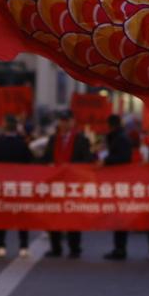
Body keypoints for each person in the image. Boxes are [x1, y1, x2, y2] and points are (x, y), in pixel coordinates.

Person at [43, 110, 93, 259]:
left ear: (72, 122)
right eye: (62, 120)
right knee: (53, 214)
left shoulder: (81, 139)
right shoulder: (53, 139)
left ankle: (74, 248)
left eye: (67, 120)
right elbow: (46, 157)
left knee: (73, 215)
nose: (64, 123)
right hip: (56, 184)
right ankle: (55, 247)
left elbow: (87, 160)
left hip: (73, 185)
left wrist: (71, 168)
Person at [0, 115, 33, 257]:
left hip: (3, 185)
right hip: (19, 186)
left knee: (2, 215)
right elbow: (30, 162)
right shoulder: (22, 143)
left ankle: (0, 245)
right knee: (22, 215)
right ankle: (24, 246)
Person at [102, 114, 136, 261]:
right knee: (118, 216)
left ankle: (120, 248)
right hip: (118, 181)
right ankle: (118, 247)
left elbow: (123, 158)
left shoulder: (120, 138)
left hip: (121, 181)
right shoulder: (118, 137)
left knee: (120, 217)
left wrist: (106, 161)